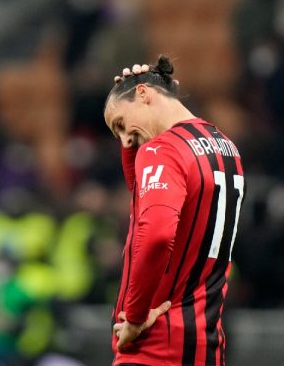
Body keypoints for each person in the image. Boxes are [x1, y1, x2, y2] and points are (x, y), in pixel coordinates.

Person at [105, 56, 245, 365]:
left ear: (143, 94)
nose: (126, 139)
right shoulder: (225, 148)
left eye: (120, 125)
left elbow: (154, 234)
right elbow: (143, 196)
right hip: (205, 344)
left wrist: (137, 315)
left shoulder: (162, 149)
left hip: (157, 345)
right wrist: (132, 144)